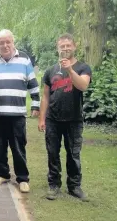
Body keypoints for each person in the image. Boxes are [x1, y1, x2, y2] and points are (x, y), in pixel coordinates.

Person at [0, 29, 40, 193]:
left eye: (8, 42)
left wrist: (35, 104)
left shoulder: (24, 59)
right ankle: (3, 174)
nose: (5, 45)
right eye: (1, 43)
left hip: (17, 114)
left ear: (13, 42)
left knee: (18, 147)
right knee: (0, 147)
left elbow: (33, 83)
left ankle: (23, 178)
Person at [38, 33, 92, 201]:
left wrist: (69, 69)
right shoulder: (50, 71)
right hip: (53, 120)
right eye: (62, 46)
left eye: (68, 45)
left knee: (73, 154)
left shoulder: (83, 68)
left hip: (74, 119)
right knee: (52, 153)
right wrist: (41, 118)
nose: (66, 48)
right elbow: (45, 96)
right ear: (58, 48)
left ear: (74, 46)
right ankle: (54, 185)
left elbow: (83, 86)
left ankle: (74, 186)